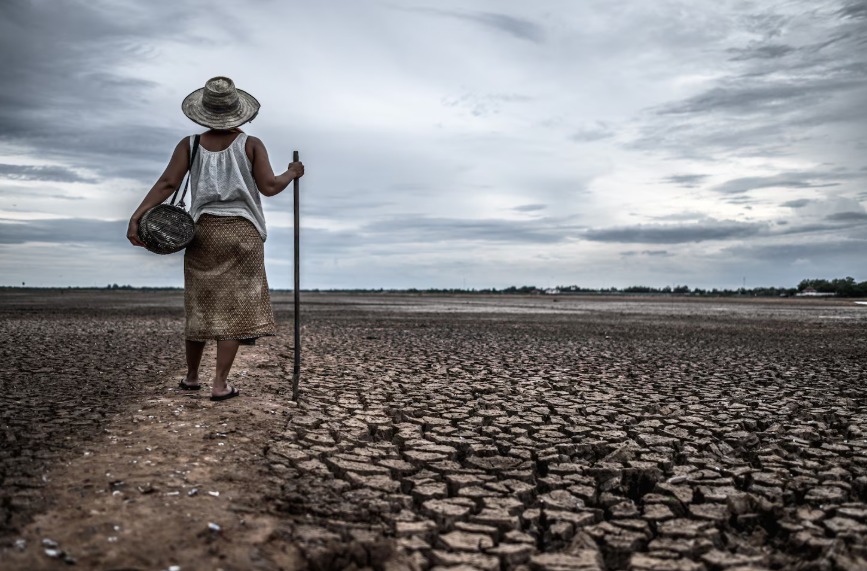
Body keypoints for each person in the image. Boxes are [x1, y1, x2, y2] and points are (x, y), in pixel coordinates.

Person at [127, 76, 304, 402]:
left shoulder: (190, 145)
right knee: (234, 311)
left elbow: (168, 183)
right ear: (240, 113)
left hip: (202, 232)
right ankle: (220, 384)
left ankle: (192, 377)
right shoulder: (251, 144)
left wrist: (138, 215)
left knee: (199, 305)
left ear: (204, 112)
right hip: (243, 234)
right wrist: (291, 174)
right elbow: (269, 186)